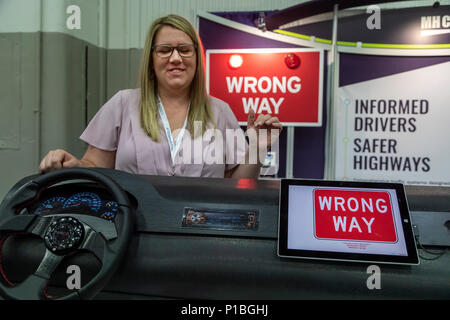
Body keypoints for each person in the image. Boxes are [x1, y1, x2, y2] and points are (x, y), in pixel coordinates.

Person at [39, 14, 282, 178]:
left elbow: (238, 183)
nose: (175, 58)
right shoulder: (123, 104)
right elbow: (93, 167)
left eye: (185, 50)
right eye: (165, 50)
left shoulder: (219, 111)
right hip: (133, 231)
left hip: (201, 231)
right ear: (151, 60)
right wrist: (72, 166)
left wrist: (259, 147)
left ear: (197, 58)